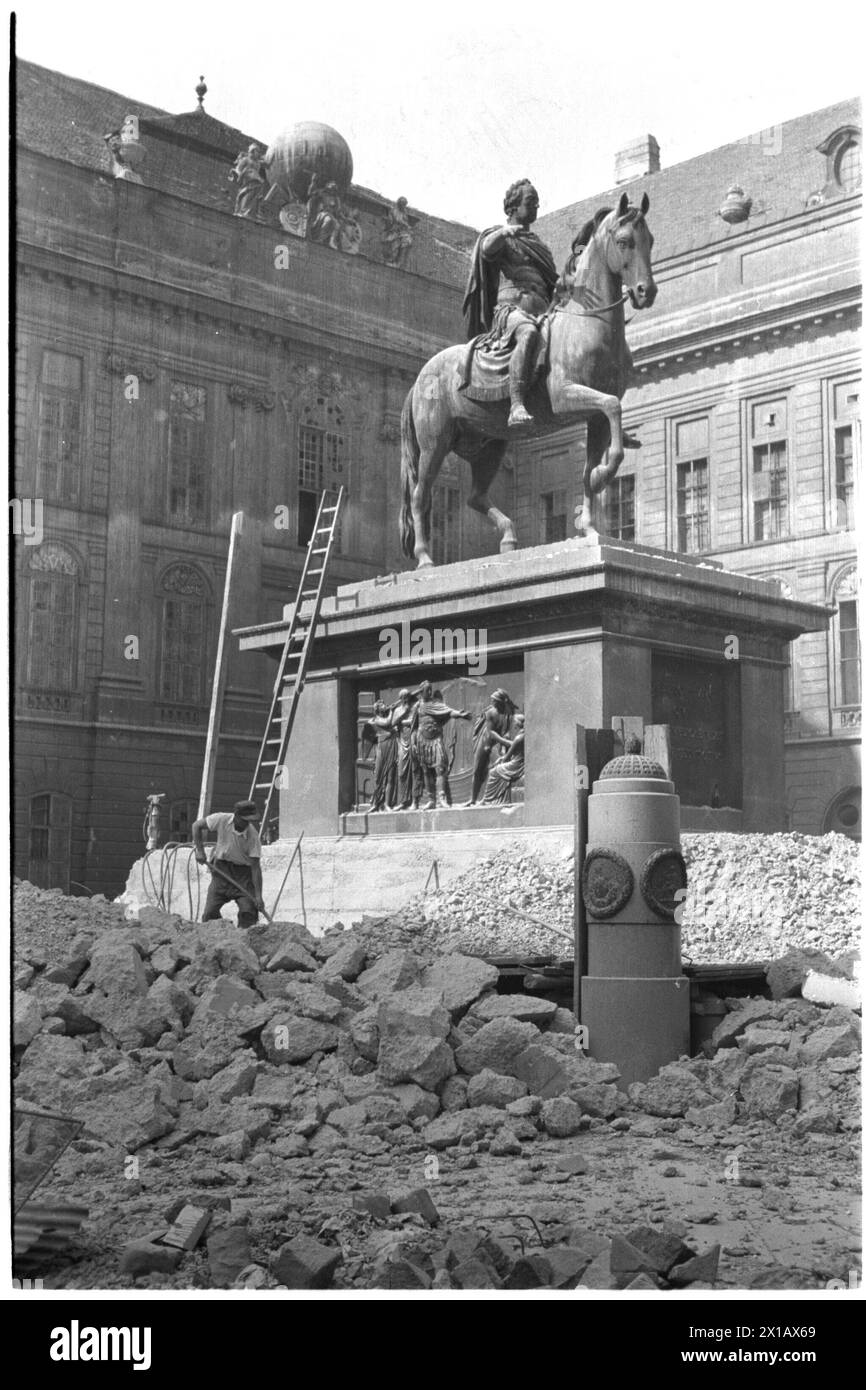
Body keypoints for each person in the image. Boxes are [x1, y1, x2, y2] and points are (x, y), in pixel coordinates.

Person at [461, 179, 558, 427]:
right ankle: (516, 404)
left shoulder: (538, 245)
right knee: (528, 334)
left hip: (542, 310)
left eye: (537, 202)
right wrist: (504, 233)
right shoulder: (501, 237)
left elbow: (552, 281)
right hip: (511, 311)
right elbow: (485, 249)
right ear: (513, 207)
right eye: (530, 202)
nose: (536, 206)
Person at [192, 799, 265, 928]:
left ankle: (243, 939)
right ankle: (221, 934)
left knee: (248, 913)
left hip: (243, 876)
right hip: (221, 872)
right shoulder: (221, 819)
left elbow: (255, 868)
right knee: (209, 913)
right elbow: (196, 826)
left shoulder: (253, 837)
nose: (247, 824)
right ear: (236, 816)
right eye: (244, 820)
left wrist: (258, 896)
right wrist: (200, 851)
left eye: (249, 820)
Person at [414, 681, 471, 809]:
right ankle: (431, 800)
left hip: (436, 741)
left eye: (430, 689)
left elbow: (448, 712)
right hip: (422, 741)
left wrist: (460, 714)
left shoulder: (436, 704)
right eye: (427, 690)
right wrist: (413, 743)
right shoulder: (418, 706)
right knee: (426, 771)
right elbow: (413, 725)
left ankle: (442, 798)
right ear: (421, 692)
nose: (429, 692)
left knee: (440, 768)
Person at [468, 688, 516, 804]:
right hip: (485, 743)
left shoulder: (508, 713)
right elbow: (491, 732)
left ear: (499, 701)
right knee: (477, 771)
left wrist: (506, 742)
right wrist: (505, 742)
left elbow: (508, 730)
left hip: (497, 744)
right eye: (492, 700)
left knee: (497, 769)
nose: (492, 702)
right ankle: (473, 799)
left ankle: (490, 799)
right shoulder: (490, 713)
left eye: (494, 700)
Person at [481, 714, 526, 805]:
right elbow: (516, 752)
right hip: (520, 762)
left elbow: (507, 758)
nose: (512, 724)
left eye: (513, 722)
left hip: (516, 765)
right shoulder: (524, 736)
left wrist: (499, 761)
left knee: (493, 772)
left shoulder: (518, 738)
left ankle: (487, 799)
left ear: (516, 723)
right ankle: (498, 799)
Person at [364, 700, 398, 811]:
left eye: (385, 704)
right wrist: (392, 711)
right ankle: (375, 803)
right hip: (381, 748)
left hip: (391, 747)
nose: (385, 705)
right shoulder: (376, 720)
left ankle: (387, 804)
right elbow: (387, 722)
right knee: (378, 778)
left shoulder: (387, 717)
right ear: (378, 709)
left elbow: (390, 724)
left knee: (390, 777)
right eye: (382, 705)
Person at [391, 687, 420, 809]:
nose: (405, 699)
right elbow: (393, 723)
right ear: (400, 699)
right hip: (402, 742)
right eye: (403, 698)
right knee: (402, 772)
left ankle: (415, 801)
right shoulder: (398, 710)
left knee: (415, 771)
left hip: (414, 740)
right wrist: (403, 713)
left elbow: (417, 722)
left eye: (407, 697)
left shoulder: (415, 708)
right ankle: (403, 801)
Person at [228, 145, 266, 218]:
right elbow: (239, 169)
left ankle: (246, 211)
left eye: (258, 152)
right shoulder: (246, 159)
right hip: (247, 179)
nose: (257, 153)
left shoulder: (258, 163)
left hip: (255, 180)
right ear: (252, 151)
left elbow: (266, 163)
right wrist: (238, 176)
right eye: (256, 151)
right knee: (246, 194)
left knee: (253, 195)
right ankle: (242, 210)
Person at [382, 196, 413, 268]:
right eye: (402, 204)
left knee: (407, 240)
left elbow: (405, 222)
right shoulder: (394, 211)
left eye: (404, 204)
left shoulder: (404, 213)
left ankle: (399, 261)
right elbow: (395, 221)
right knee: (396, 241)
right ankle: (392, 260)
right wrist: (404, 224)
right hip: (393, 231)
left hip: (401, 232)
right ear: (399, 203)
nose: (403, 206)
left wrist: (407, 227)